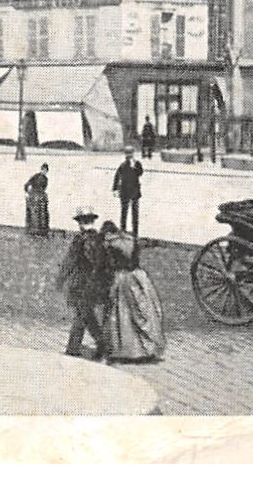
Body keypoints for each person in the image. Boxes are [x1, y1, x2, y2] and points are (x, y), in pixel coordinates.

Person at [100, 220, 166, 362]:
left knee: (121, 313)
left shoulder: (108, 243)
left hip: (122, 278)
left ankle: (127, 350)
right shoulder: (131, 239)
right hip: (139, 277)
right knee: (143, 310)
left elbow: (109, 264)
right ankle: (147, 348)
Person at [58, 205, 110, 360]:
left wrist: (61, 278)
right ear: (93, 221)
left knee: (81, 315)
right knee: (87, 315)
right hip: (95, 284)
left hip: (80, 283)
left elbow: (70, 261)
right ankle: (102, 344)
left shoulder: (79, 240)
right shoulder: (100, 239)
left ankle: (73, 349)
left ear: (80, 222)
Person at [112, 147, 144, 239]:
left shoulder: (137, 164)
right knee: (124, 212)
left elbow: (140, 173)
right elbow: (117, 176)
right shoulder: (123, 165)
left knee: (135, 213)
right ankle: (123, 230)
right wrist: (114, 188)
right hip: (125, 191)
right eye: (127, 154)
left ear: (133, 154)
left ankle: (135, 232)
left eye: (130, 153)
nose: (129, 155)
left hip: (134, 191)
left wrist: (135, 167)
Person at [24, 162, 51, 237]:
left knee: (43, 213)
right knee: (34, 213)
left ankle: (42, 231)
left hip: (41, 197)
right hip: (33, 196)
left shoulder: (46, 179)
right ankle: (32, 231)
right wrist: (27, 193)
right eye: (43, 170)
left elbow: (44, 189)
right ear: (41, 169)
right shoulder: (35, 176)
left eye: (46, 170)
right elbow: (27, 184)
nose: (44, 172)